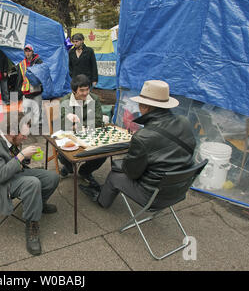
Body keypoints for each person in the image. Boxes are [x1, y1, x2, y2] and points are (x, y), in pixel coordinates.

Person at [79, 80, 197, 210]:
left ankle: (102, 201)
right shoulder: (184, 122)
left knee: (115, 174)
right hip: (180, 188)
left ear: (145, 107)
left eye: (140, 104)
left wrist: (120, 164)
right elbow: (189, 150)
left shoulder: (143, 136)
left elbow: (132, 173)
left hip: (154, 195)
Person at [0, 112, 59, 256]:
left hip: (15, 174)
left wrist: (26, 157)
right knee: (33, 183)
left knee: (52, 177)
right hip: (1, 184)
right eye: (23, 135)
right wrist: (21, 155)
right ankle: (32, 227)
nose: (25, 137)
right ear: (11, 133)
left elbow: (15, 159)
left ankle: (38, 205)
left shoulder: (11, 139)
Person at [59, 74, 105, 189]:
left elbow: (98, 120)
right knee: (63, 152)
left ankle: (85, 171)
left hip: (90, 133)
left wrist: (79, 125)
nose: (85, 93)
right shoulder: (65, 100)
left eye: (87, 89)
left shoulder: (94, 99)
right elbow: (62, 123)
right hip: (71, 135)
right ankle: (69, 167)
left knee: (103, 153)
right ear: (74, 91)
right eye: (82, 90)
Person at [16, 44, 43, 132]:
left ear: (32, 52)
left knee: (38, 109)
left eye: (29, 51)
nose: (27, 53)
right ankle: (29, 126)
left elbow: (42, 75)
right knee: (27, 110)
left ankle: (39, 128)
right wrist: (19, 90)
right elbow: (19, 77)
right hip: (26, 91)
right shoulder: (21, 64)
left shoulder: (38, 61)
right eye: (26, 51)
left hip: (36, 90)